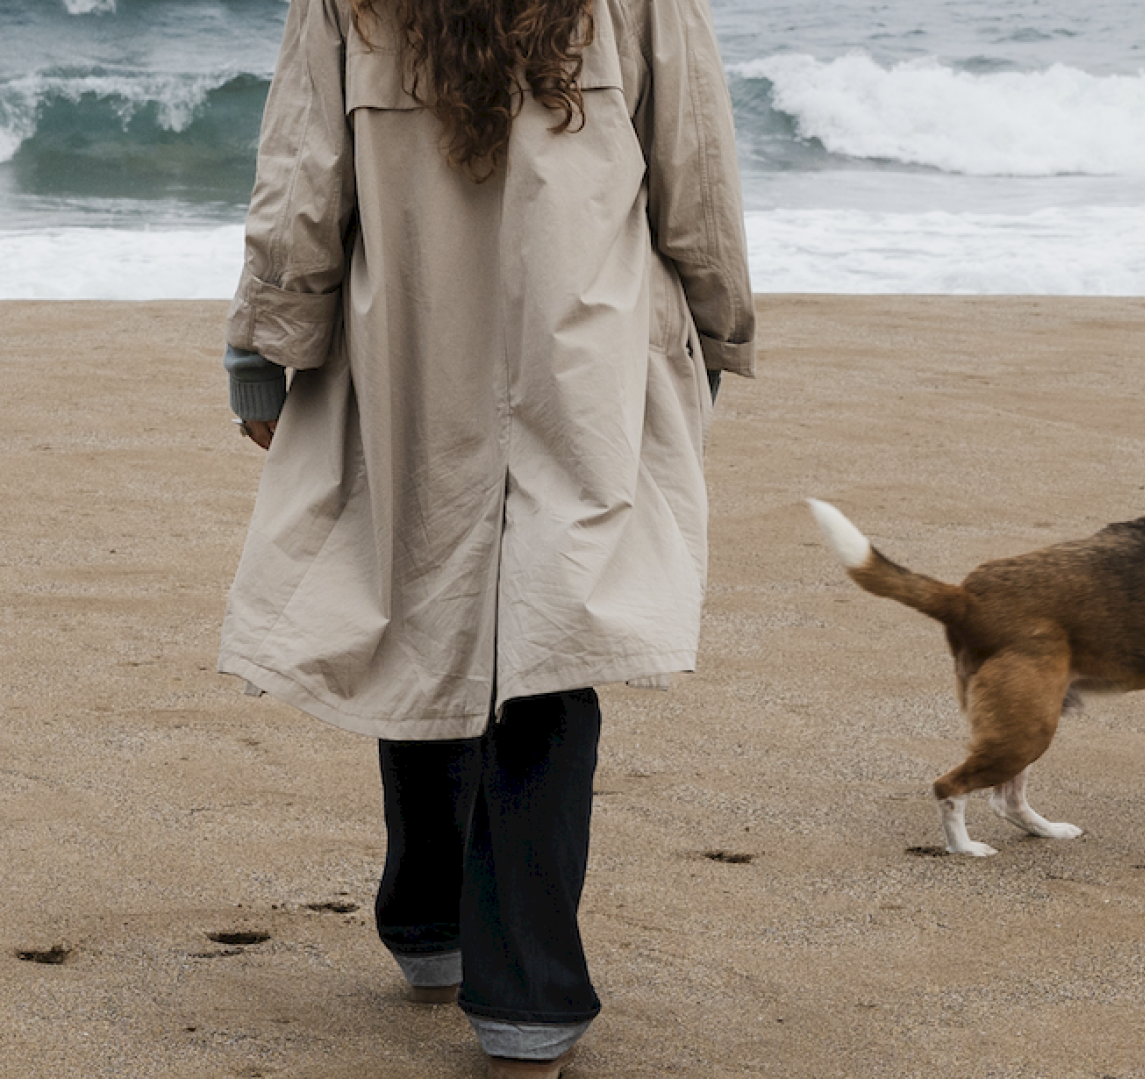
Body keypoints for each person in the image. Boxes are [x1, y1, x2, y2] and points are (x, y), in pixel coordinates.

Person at [218, 0, 754, 1071]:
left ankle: (430, 924)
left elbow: (298, 173)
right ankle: (527, 993)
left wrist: (265, 344)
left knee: (425, 598)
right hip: (586, 353)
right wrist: (717, 322)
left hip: (413, 343)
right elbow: (694, 160)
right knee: (546, 642)